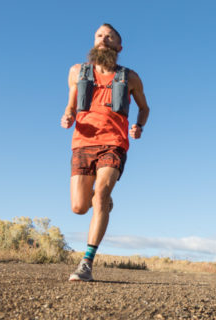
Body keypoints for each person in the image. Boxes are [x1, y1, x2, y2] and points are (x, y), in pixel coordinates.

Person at [60, 23, 150, 282]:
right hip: (83, 142)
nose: (104, 40)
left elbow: (145, 108)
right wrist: (67, 115)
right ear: (94, 42)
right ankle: (104, 201)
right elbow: (70, 105)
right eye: (100, 36)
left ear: (119, 47)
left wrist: (139, 126)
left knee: (100, 194)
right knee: (78, 207)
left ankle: (86, 263)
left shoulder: (130, 77)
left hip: (114, 142)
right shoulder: (77, 72)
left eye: (109, 37)